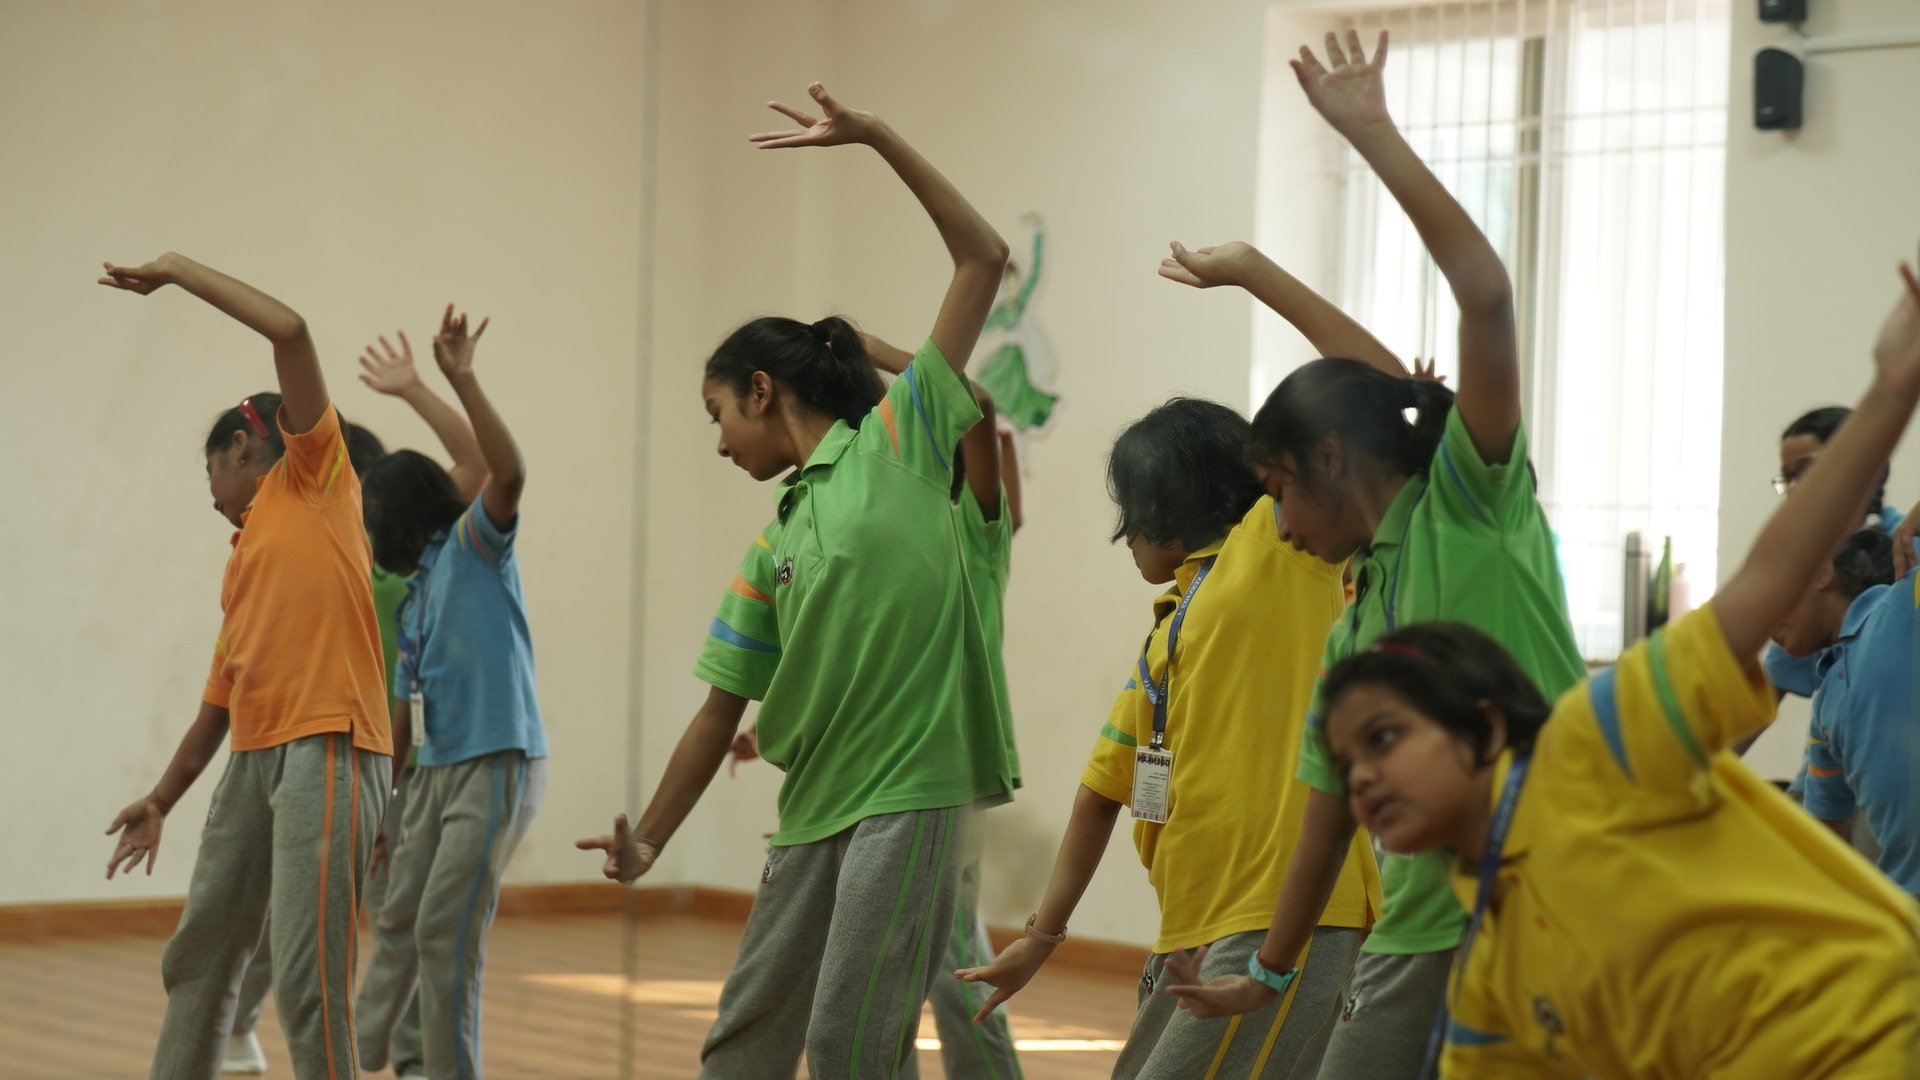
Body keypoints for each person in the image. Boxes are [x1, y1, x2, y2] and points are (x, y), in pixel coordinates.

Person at [1317, 266, 1920, 1076]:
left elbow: (1769, 575)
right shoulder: (1494, 956)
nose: (1360, 778)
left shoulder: (1599, 737)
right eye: (1348, 761)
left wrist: (1892, 386)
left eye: (1384, 738)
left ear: (1484, 724)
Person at [1153, 33, 1585, 1080]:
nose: (1279, 525)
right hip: (1419, 928)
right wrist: (1270, 968)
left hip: (1563, 896)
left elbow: (1482, 301)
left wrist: (1372, 134)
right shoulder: (1355, 623)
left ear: (1331, 460)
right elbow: (1327, 810)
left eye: (1278, 491)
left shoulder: (1471, 505)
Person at [576, 83, 1016, 1078]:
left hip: (912, 791)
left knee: (851, 1044)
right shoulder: (771, 542)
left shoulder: (899, 442)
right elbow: (716, 711)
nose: (717, 441)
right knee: (746, 1039)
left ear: (762, 390)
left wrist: (876, 136)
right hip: (816, 802)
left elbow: (983, 258)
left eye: (717, 413)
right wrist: (648, 842)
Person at [956, 397, 1377, 1078]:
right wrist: (1040, 938)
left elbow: (1359, 415)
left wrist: (1261, 288)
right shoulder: (1169, 630)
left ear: (1161, 509)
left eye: (1129, 510)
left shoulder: (1279, 550)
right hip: (1192, 929)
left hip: (1281, 921)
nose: (1124, 534)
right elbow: (1101, 793)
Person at [100, 252, 391, 1080]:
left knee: (306, 980)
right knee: (199, 954)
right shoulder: (242, 563)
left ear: (241, 447)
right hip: (254, 760)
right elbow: (218, 701)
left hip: (328, 745)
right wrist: (162, 798)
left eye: (211, 474)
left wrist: (176, 272)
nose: (211, 497)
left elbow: (290, 330)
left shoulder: (316, 481)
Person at [225, 337, 488, 1078]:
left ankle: (409, 1059)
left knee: (400, 921)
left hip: (397, 761)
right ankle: (241, 1026)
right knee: (311, 916)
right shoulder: (328, 553)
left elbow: (476, 469)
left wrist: (417, 389)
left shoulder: (405, 556)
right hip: (346, 757)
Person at [350, 306, 547, 1079]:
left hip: (494, 763)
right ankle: (358, 1052)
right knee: (399, 910)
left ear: (398, 514)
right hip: (432, 774)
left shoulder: (473, 546)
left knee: (444, 932)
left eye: (369, 512)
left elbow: (501, 470)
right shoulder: (415, 593)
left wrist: (445, 383)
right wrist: (385, 809)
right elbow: (405, 712)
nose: (363, 527)